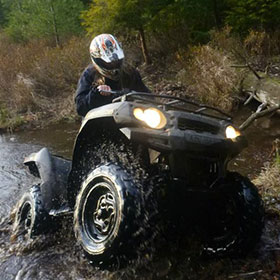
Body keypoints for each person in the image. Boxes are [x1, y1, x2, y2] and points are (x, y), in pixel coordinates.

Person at [75, 34, 150, 117]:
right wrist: (96, 94)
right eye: (109, 63)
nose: (113, 64)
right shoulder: (89, 75)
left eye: (116, 61)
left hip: (130, 118)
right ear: (98, 59)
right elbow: (80, 107)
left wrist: (136, 96)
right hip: (100, 121)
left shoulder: (130, 72)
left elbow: (148, 96)